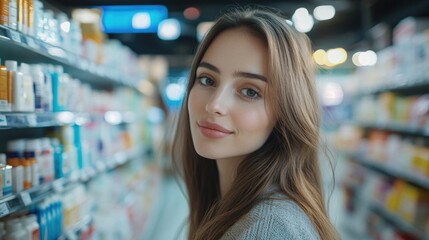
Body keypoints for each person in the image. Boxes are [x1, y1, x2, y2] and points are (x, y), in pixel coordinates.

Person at [171, 6, 339, 240]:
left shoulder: (267, 229)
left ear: (286, 113)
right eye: (207, 79)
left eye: (250, 92)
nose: (214, 105)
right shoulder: (234, 206)